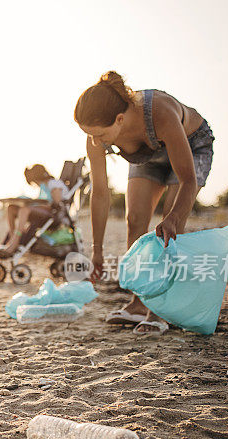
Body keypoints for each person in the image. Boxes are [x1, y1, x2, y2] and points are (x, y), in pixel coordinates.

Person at [74, 71, 214, 335]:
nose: (96, 142)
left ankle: (161, 308)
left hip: (192, 147)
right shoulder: (96, 138)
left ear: (120, 119)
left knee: (171, 227)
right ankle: (138, 303)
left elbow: (187, 180)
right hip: (148, 157)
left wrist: (173, 217)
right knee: (134, 221)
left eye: (100, 135)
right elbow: (100, 193)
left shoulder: (159, 111)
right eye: (90, 135)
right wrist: (97, 250)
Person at [0, 164, 67, 254]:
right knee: (11, 208)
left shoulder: (54, 184)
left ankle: (15, 242)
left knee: (24, 210)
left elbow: (57, 204)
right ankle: (12, 238)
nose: (36, 184)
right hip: (43, 212)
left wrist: (35, 205)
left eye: (35, 182)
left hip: (55, 216)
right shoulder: (45, 186)